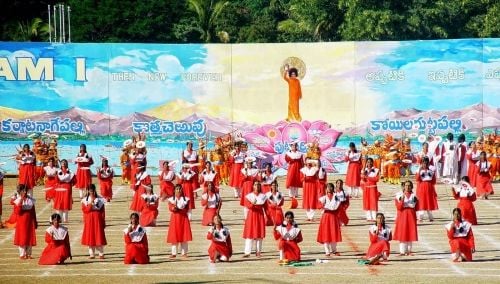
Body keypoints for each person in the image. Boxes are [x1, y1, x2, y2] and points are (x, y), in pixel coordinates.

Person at [81, 184, 107, 259]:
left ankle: (101, 253)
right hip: (89, 218)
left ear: (94, 190)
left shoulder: (100, 199)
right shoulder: (85, 199)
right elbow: (84, 210)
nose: (91, 191)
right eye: (89, 190)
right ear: (88, 191)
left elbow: (102, 211)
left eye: (92, 190)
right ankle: (91, 253)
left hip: (97, 218)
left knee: (99, 235)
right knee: (90, 236)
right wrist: (90, 204)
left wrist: (103, 221)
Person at [166, 185, 193, 258]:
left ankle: (184, 253)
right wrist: (174, 208)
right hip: (175, 219)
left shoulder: (186, 199)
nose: (178, 191)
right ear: (174, 190)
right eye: (177, 189)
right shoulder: (171, 199)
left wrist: (189, 217)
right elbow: (170, 208)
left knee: (184, 236)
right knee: (174, 236)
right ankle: (174, 253)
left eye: (180, 189)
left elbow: (188, 209)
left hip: (184, 218)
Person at [242, 181, 267, 258]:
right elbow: (247, 207)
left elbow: (266, 207)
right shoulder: (249, 196)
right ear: (253, 186)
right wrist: (245, 218)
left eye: (259, 185)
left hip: (260, 215)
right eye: (255, 185)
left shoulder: (263, 196)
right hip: (251, 215)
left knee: (259, 234)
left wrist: (268, 217)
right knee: (250, 234)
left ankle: (258, 251)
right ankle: (247, 252)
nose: (257, 186)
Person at [393, 181, 418, 256]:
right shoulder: (398, 195)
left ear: (411, 187)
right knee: (402, 232)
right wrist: (402, 200)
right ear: (403, 187)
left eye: (409, 185)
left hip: (411, 215)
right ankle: (402, 251)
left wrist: (408, 205)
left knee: (410, 232)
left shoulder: (414, 196)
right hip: (402, 215)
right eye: (406, 185)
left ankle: (409, 250)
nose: (407, 187)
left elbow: (415, 206)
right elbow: (399, 207)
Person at [317, 183, 342, 257]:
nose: (329, 189)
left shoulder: (336, 197)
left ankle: (334, 250)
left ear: (333, 188)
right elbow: (318, 205)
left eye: (331, 187)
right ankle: (327, 251)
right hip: (326, 217)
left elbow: (338, 207)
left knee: (334, 233)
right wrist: (322, 205)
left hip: (333, 216)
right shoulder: (323, 198)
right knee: (326, 233)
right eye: (328, 187)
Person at [13, 184, 37, 259]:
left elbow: (33, 212)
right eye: (22, 191)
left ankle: (29, 253)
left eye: (25, 190)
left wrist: (35, 221)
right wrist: (21, 201)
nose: (24, 192)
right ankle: (22, 254)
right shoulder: (17, 201)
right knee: (22, 237)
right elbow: (17, 212)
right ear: (19, 192)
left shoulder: (30, 200)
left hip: (30, 221)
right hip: (22, 221)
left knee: (30, 237)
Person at [415, 156, 438, 222]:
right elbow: (417, 179)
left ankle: (430, 216)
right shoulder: (418, 170)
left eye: (426, 163)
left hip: (429, 188)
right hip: (421, 187)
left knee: (429, 202)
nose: (424, 164)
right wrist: (419, 171)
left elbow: (434, 181)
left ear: (428, 163)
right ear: (421, 163)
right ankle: (420, 217)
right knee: (421, 202)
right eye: (423, 163)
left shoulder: (431, 171)